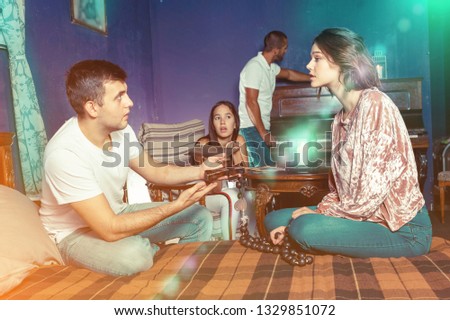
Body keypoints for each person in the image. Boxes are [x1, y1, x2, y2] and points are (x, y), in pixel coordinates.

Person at [39, 60, 225, 276]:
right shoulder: (64, 153)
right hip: (73, 234)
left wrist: (201, 170)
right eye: (119, 97)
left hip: (116, 214)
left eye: (126, 93)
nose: (130, 102)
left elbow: (157, 171)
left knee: (199, 216)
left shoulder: (121, 130)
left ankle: (181, 278)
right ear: (92, 107)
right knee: (135, 254)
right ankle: (146, 251)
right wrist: (175, 206)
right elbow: (108, 228)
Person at [264, 28, 432, 258]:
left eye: (317, 58)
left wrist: (313, 219)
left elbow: (369, 196)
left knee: (303, 227)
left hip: (401, 228)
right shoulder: (339, 119)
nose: (308, 66)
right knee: (273, 218)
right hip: (363, 216)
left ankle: (305, 235)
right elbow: (338, 192)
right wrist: (319, 213)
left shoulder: (375, 104)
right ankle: (307, 234)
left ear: (342, 60)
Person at [238, 30, 310, 167]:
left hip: (259, 127)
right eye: (285, 48)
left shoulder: (269, 68)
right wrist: (264, 134)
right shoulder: (255, 67)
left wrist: (312, 79)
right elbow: (251, 102)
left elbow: (289, 74)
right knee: (262, 172)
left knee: (267, 169)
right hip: (250, 128)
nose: (286, 51)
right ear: (276, 50)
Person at [193, 101, 256, 239]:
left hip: (232, 189)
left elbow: (247, 178)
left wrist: (236, 154)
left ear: (235, 123)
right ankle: (229, 243)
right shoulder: (203, 144)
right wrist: (227, 152)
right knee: (232, 196)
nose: (222, 122)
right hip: (207, 195)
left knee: (252, 195)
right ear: (213, 125)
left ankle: (252, 239)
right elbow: (214, 187)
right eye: (217, 118)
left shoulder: (239, 140)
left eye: (228, 117)